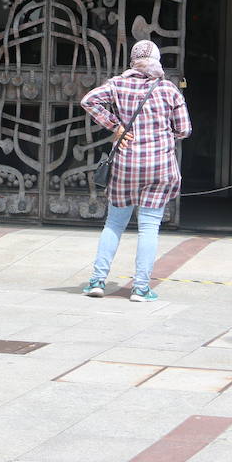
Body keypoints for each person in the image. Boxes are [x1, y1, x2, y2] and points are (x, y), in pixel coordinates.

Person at [79, 40, 192, 302]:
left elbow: (89, 100)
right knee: (149, 226)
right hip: (158, 167)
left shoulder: (117, 84)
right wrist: (163, 136)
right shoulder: (168, 90)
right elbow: (184, 130)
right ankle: (140, 288)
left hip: (126, 165)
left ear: (133, 60)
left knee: (114, 223)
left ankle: (97, 280)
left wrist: (115, 125)